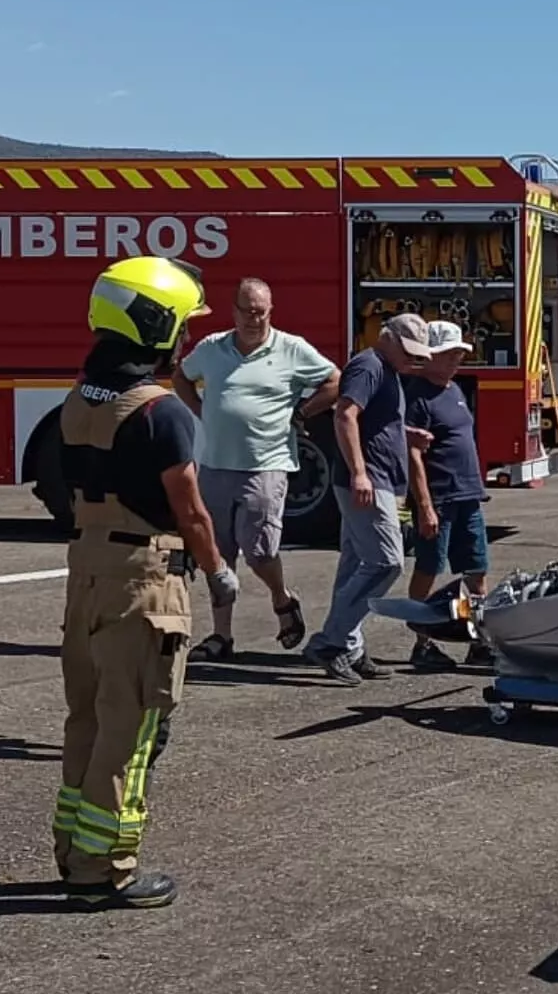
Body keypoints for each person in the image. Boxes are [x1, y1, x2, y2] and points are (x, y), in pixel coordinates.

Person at [52, 257, 232, 911]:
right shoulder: (162, 412)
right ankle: (107, 866)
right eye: (181, 322)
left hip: (88, 570)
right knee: (131, 728)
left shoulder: (78, 399)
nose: (185, 335)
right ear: (156, 325)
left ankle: (73, 851)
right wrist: (217, 571)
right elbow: (190, 510)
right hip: (145, 576)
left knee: (86, 718)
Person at [174, 276, 337, 660]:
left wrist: (303, 411)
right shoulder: (212, 348)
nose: (254, 319)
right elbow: (181, 375)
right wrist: (198, 409)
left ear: (270, 311)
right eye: (247, 311)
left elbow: (332, 381)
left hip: (266, 465)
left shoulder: (291, 349)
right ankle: (221, 637)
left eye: (261, 312)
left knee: (260, 552)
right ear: (233, 312)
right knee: (217, 554)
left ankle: (282, 600)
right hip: (215, 465)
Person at [306, 311, 431, 685]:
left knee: (356, 564)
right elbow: (345, 415)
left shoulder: (386, 368)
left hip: (381, 480)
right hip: (369, 481)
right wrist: (360, 473)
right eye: (407, 350)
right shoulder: (369, 365)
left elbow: (374, 419)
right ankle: (331, 642)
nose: (412, 359)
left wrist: (406, 434)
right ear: (386, 337)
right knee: (386, 562)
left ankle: (351, 647)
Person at [403, 319, 490, 671]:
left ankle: (477, 638)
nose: (457, 360)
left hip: (468, 495)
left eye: (460, 354)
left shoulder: (454, 390)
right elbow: (412, 455)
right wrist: (424, 506)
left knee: (477, 570)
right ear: (431, 355)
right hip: (438, 498)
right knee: (428, 569)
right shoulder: (416, 395)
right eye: (451, 354)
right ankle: (421, 641)